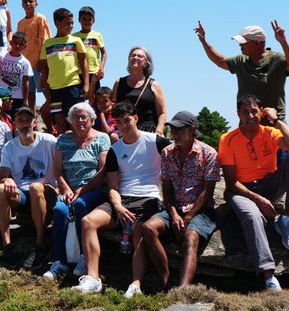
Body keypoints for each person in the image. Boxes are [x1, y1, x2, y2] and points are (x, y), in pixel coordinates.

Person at [76, 101, 167, 294]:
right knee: (87, 222)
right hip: (122, 199)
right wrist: (117, 205)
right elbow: (113, 187)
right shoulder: (115, 151)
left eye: (127, 120)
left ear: (136, 118)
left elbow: (177, 157)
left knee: (138, 229)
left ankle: (136, 284)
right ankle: (93, 279)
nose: (124, 126)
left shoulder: (155, 141)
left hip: (147, 197)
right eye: (118, 122)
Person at [219, 95, 289, 292]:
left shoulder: (270, 132)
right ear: (238, 114)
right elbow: (231, 182)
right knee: (252, 216)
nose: (250, 116)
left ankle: (287, 221)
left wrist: (275, 119)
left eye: (254, 111)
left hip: (269, 185)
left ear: (261, 112)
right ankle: (269, 276)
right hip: (242, 191)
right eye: (245, 112)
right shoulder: (228, 139)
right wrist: (257, 199)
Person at [128, 111, 220, 295]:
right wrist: (174, 214)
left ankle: (182, 290)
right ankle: (166, 279)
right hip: (174, 207)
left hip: (200, 209)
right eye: (172, 129)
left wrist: (188, 217)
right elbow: (167, 188)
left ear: (192, 130)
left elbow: (207, 192)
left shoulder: (209, 153)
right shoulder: (168, 153)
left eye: (179, 129)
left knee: (191, 237)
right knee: (148, 228)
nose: (174, 133)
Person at [43, 101, 110, 283]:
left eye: (83, 117)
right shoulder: (63, 140)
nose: (79, 121)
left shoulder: (102, 138)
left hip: (94, 188)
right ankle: (60, 262)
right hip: (69, 189)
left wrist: (83, 189)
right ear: (70, 121)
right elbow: (57, 171)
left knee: (80, 205)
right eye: (75, 117)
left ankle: (83, 257)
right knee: (59, 210)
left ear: (92, 120)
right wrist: (66, 189)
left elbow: (103, 170)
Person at [0, 107, 58, 269]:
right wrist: (6, 180)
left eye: (28, 121)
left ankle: (41, 244)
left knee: (36, 187)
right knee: (1, 189)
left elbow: (62, 167)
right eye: (21, 121)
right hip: (22, 194)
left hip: (47, 190)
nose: (24, 125)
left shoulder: (49, 141)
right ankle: (7, 245)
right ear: (14, 124)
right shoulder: (10, 147)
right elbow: (2, 176)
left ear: (35, 123)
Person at [195, 21, 289, 119]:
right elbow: (221, 62)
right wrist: (204, 42)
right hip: (247, 125)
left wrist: (283, 42)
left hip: (272, 124)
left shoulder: (276, 60)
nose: (240, 45)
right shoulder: (241, 60)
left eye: (244, 42)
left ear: (258, 43)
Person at [39, 8, 89, 134]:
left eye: (72, 23)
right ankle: (62, 148)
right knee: (59, 121)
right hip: (55, 89)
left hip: (72, 87)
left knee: (74, 120)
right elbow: (45, 68)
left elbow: (84, 63)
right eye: (68, 23)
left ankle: (77, 147)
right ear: (57, 23)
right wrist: (46, 88)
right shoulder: (48, 43)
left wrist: (86, 84)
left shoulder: (75, 41)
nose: (71, 26)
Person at [111, 47, 167, 133]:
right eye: (132, 55)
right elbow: (114, 108)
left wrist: (158, 132)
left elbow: (162, 113)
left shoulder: (154, 85)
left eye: (140, 56)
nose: (135, 57)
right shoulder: (119, 83)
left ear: (146, 63)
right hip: (125, 131)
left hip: (147, 131)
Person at [15, 0, 51, 90]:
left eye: (30, 1)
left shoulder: (40, 19)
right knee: (29, 91)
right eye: (25, 2)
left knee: (44, 89)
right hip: (25, 63)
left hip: (38, 63)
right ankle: (30, 106)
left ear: (36, 4)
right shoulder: (20, 23)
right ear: (22, 5)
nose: (28, 4)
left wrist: (42, 60)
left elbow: (46, 41)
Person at [0, 31, 35, 115]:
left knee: (15, 119)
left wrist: (25, 101)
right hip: (2, 95)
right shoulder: (2, 56)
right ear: (11, 43)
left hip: (18, 97)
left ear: (25, 46)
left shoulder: (25, 62)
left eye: (21, 44)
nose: (17, 46)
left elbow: (26, 82)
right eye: (15, 43)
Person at [74, 6, 107, 92]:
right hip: (79, 72)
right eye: (84, 19)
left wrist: (101, 68)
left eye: (89, 19)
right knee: (80, 97)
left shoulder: (97, 35)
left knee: (95, 97)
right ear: (79, 20)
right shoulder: (74, 37)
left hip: (94, 72)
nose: (86, 21)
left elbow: (104, 53)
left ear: (93, 20)